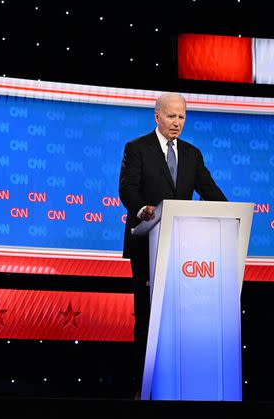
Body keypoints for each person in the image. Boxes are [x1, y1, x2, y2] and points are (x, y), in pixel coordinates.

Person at [118, 92, 227, 398]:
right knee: (148, 314)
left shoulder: (192, 154)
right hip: (145, 242)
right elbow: (126, 189)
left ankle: (179, 384)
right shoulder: (136, 148)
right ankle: (143, 386)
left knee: (179, 317)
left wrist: (230, 213)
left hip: (184, 249)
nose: (177, 122)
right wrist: (143, 210)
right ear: (157, 116)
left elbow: (208, 189)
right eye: (171, 116)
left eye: (181, 117)